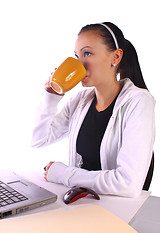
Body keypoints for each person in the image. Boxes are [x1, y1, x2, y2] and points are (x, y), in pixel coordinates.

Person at [31, 22, 155, 197]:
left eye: (87, 53)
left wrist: (63, 174)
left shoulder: (138, 102)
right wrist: (51, 96)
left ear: (116, 57)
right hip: (83, 204)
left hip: (115, 210)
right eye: (76, 56)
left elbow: (127, 184)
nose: (80, 64)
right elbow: (39, 140)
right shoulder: (80, 101)